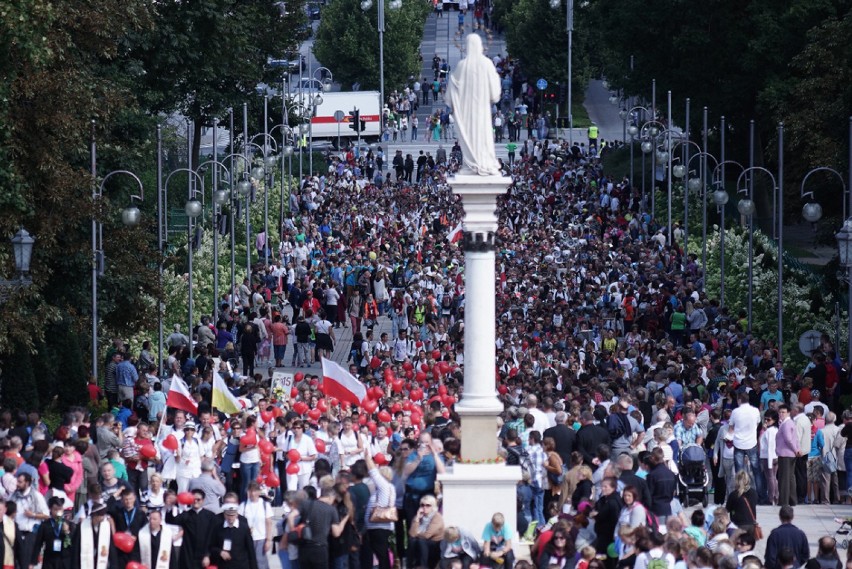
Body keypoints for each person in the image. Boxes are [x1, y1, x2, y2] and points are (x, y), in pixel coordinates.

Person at [445, 34, 501, 175]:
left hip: (467, 112)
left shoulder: (462, 65)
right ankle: (484, 162)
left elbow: (452, 89)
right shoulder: (487, 64)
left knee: (470, 135)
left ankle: (471, 164)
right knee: (483, 135)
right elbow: (495, 94)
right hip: (482, 110)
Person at [166, 488, 218, 569]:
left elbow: (212, 537)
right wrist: (171, 505)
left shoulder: (210, 516)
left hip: (204, 555)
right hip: (188, 554)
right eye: (193, 499)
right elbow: (171, 520)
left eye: (198, 499)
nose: (196, 501)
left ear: (203, 500)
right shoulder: (186, 515)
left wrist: (207, 555)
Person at [29, 496, 73, 569]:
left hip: (64, 560)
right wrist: (32, 562)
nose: (58, 512)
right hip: (49, 560)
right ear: (50, 509)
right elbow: (38, 544)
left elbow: (72, 544)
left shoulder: (69, 524)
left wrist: (67, 532)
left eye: (60, 509)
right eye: (55, 509)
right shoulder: (45, 525)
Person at [211, 503, 258, 569]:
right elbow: (212, 546)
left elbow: (251, 550)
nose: (230, 518)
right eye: (228, 515)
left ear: (237, 515)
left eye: (233, 515)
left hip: (241, 565)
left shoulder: (244, 528)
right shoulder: (218, 528)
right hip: (224, 566)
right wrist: (220, 552)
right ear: (224, 515)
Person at [239, 482, 273, 569]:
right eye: (250, 491)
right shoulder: (243, 505)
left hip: (261, 538)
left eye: (255, 491)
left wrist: (268, 540)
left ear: (259, 492)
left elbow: (269, 523)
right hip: (247, 539)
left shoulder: (265, 505)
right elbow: (239, 521)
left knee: (260, 562)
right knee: (248, 562)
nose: (252, 493)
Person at [407, 494, 444, 569]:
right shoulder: (419, 516)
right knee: (412, 541)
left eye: (428, 505)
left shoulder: (437, 517)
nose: (424, 507)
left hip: (435, 543)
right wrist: (417, 519)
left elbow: (427, 535)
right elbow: (411, 534)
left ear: (433, 506)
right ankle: (410, 566)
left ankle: (424, 566)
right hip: (422, 541)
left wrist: (417, 533)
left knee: (421, 541)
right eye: (422, 505)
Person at [71, 502, 112, 569]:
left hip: (100, 560)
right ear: (95, 516)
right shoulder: (82, 526)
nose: (103, 518)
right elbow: (76, 548)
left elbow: (111, 547)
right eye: (101, 515)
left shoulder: (106, 526)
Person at [776, 404, 799, 507]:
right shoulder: (788, 423)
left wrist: (795, 450)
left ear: (788, 413)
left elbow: (788, 439)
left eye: (783, 412)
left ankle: (784, 501)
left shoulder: (786, 424)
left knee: (784, 478)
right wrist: (796, 450)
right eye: (780, 412)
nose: (781, 414)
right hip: (790, 453)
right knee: (790, 477)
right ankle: (792, 500)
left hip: (786, 453)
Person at [725, 470, 758, 537]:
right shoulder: (753, 492)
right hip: (751, 524)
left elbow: (727, 509)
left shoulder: (733, 495)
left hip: (738, 525)